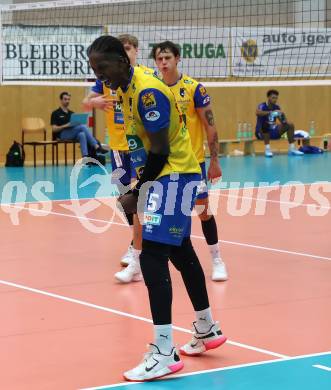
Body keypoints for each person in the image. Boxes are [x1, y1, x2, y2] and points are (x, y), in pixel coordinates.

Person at [87, 35, 227, 382]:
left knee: (151, 254)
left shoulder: (148, 91)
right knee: (180, 250)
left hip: (173, 175)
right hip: (167, 176)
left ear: (123, 60)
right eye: (94, 70)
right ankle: (207, 328)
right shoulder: (123, 87)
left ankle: (164, 350)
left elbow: (161, 149)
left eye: (104, 68)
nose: (101, 76)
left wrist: (136, 189)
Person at [151, 41, 228, 282]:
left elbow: (210, 126)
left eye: (167, 58)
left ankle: (217, 259)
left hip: (193, 165)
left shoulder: (194, 89)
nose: (163, 63)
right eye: (159, 59)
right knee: (167, 216)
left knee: (203, 212)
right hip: (164, 166)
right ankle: (160, 261)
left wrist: (214, 160)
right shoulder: (151, 89)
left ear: (177, 58)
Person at [83, 34, 154, 273]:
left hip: (139, 147)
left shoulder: (145, 78)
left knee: (140, 196)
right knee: (124, 199)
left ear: (134, 51)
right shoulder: (106, 78)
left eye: (129, 48)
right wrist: (96, 102)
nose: (126, 52)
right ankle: (139, 238)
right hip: (117, 146)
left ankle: (139, 244)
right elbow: (86, 101)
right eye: (123, 48)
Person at [51, 92, 107, 158]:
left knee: (82, 134)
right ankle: (96, 146)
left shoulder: (71, 113)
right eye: (65, 99)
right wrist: (66, 125)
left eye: (68, 99)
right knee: (82, 127)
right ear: (61, 100)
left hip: (72, 133)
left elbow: (73, 126)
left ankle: (85, 157)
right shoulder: (55, 113)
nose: (67, 101)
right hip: (61, 135)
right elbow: (54, 129)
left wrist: (77, 123)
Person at [256, 90, 304, 157]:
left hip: (273, 131)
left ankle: (292, 148)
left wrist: (282, 115)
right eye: (273, 98)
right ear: (268, 97)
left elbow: (283, 122)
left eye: (276, 98)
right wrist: (270, 112)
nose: (275, 100)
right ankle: (267, 149)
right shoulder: (262, 106)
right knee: (265, 124)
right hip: (261, 133)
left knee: (290, 125)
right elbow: (258, 113)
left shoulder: (277, 107)